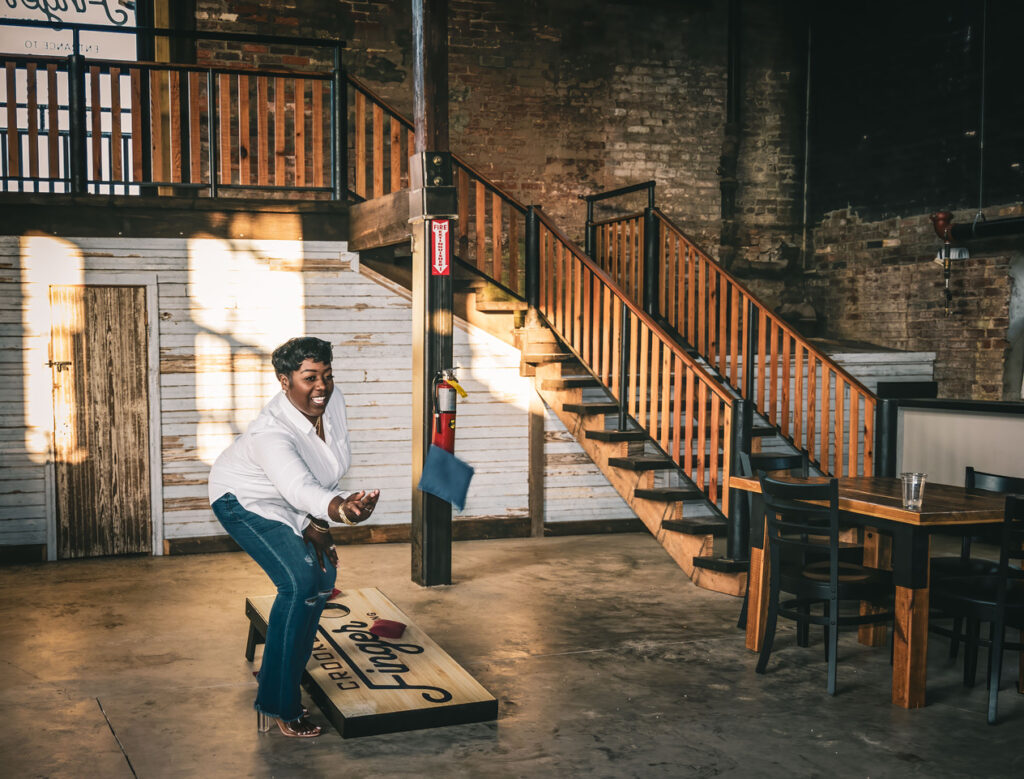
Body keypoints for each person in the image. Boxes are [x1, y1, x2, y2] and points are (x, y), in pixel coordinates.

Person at [208, 336, 380, 738]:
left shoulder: (330, 402)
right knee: (299, 582)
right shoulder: (271, 431)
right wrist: (336, 509)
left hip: (296, 500)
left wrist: (318, 522)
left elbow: (323, 471)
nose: (322, 386)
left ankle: (286, 667)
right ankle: (278, 703)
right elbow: (297, 485)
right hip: (244, 500)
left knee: (324, 579)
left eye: (327, 375)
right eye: (309, 378)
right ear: (285, 382)